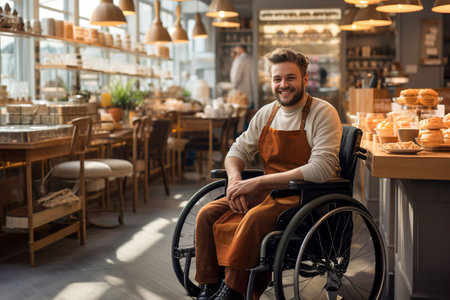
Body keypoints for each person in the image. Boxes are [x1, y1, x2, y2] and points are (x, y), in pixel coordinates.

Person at [195, 48, 342, 300]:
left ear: (305, 79)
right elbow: (237, 150)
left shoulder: (323, 113)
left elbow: (320, 169)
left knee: (254, 219)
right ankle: (210, 285)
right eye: (277, 79)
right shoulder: (266, 113)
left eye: (291, 78)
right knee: (207, 214)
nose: (283, 85)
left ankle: (234, 291)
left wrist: (257, 183)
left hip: (305, 197)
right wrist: (235, 181)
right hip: (267, 193)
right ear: (271, 81)